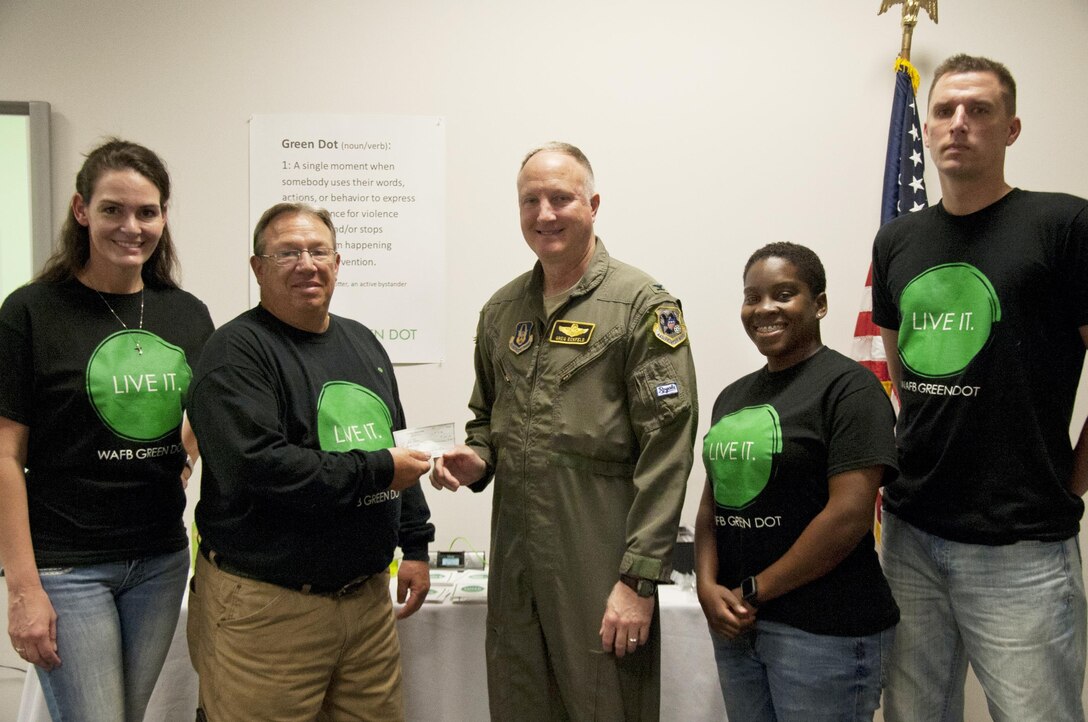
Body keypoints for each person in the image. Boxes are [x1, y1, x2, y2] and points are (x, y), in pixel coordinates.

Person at [430, 142, 698, 721]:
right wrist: (476, 459)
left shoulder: (640, 306)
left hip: (598, 553)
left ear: (593, 204)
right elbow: (486, 419)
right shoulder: (501, 312)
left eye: (561, 198)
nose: (545, 214)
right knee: (520, 698)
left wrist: (638, 580)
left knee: (606, 704)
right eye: (531, 201)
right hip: (517, 555)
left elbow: (667, 448)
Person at [871, 54, 1088, 722]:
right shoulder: (898, 240)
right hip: (910, 535)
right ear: (929, 129)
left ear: (1011, 129)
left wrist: (1071, 479)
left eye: (979, 110)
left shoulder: (1064, 226)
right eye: (945, 110)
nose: (958, 123)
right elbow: (900, 363)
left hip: (1021, 546)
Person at [186, 202, 434, 722]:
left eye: (318, 251)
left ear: (338, 262)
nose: (306, 263)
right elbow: (263, 468)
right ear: (257, 268)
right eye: (287, 253)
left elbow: (396, 441)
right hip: (268, 610)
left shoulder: (362, 341)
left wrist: (414, 542)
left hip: (367, 604)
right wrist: (381, 468)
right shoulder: (234, 353)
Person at [0, 138, 214, 722]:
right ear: (80, 210)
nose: (132, 226)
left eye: (147, 212)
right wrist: (22, 589)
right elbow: (4, 454)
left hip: (160, 558)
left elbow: (203, 410)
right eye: (113, 209)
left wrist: (184, 459)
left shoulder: (186, 312)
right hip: (68, 565)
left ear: (164, 216)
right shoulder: (31, 313)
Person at [694, 242, 899, 722]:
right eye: (752, 296)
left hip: (824, 631)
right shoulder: (732, 397)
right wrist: (706, 585)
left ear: (820, 304)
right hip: (738, 628)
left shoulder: (849, 389)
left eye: (784, 294)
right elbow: (712, 507)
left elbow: (847, 517)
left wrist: (754, 589)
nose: (764, 308)